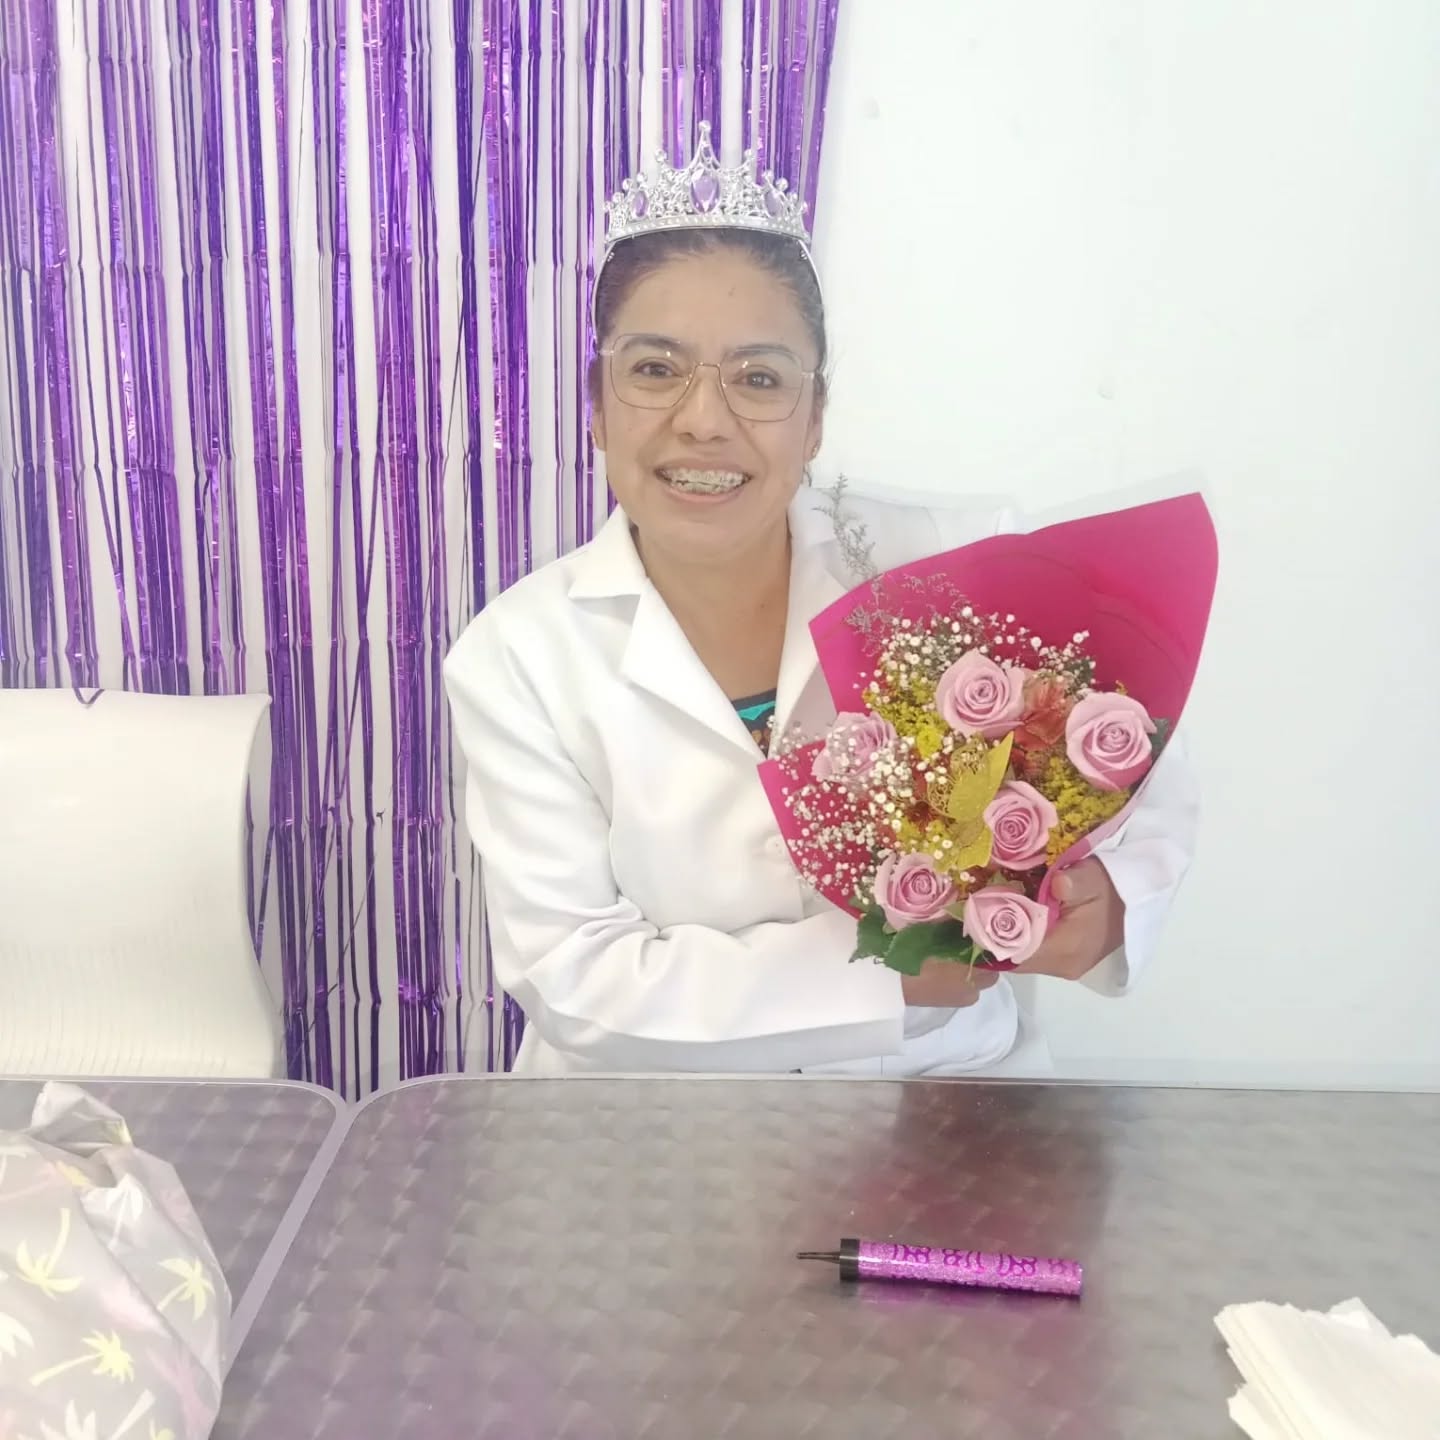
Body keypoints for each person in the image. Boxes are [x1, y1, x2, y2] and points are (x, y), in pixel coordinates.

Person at [444, 124, 1197, 1077]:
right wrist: (883, 979)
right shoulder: (518, 654)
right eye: (654, 369)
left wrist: (1113, 899)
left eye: (760, 378)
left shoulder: (953, 565)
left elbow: (1144, 772)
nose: (703, 420)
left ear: (815, 421)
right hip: (649, 1125)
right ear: (595, 406)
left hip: (947, 1100)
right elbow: (575, 979)